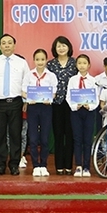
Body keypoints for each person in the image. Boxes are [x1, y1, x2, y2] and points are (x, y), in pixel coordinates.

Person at [0, 34, 29, 176]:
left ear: (14, 45)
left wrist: (25, 101)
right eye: (3, 43)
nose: (6, 45)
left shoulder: (21, 63)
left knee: (15, 135)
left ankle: (14, 165)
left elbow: (26, 82)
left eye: (9, 43)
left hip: (16, 102)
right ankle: (0, 165)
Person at [22, 49, 57, 177]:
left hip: (46, 108)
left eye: (42, 59)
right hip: (33, 108)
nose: (40, 62)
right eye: (37, 59)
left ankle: (43, 164)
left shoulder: (51, 76)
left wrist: (50, 99)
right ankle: (35, 166)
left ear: (46, 60)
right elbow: (23, 91)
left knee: (44, 138)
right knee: (33, 137)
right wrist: (28, 98)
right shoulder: (29, 75)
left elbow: (54, 92)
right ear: (34, 60)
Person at [46, 36, 77, 175]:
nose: (61, 48)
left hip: (71, 104)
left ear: (69, 47)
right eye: (59, 46)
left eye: (64, 45)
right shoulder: (50, 65)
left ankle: (69, 166)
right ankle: (59, 166)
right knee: (58, 134)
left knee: (70, 135)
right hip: (56, 103)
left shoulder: (75, 63)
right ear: (55, 48)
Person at [66, 54, 98, 177]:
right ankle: (78, 166)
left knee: (87, 139)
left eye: (84, 63)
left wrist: (90, 106)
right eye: (79, 63)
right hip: (76, 112)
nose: (82, 65)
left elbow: (96, 97)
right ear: (76, 65)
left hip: (89, 112)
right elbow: (68, 96)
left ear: (89, 65)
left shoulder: (93, 80)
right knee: (77, 138)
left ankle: (86, 167)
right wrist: (75, 106)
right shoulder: (72, 80)